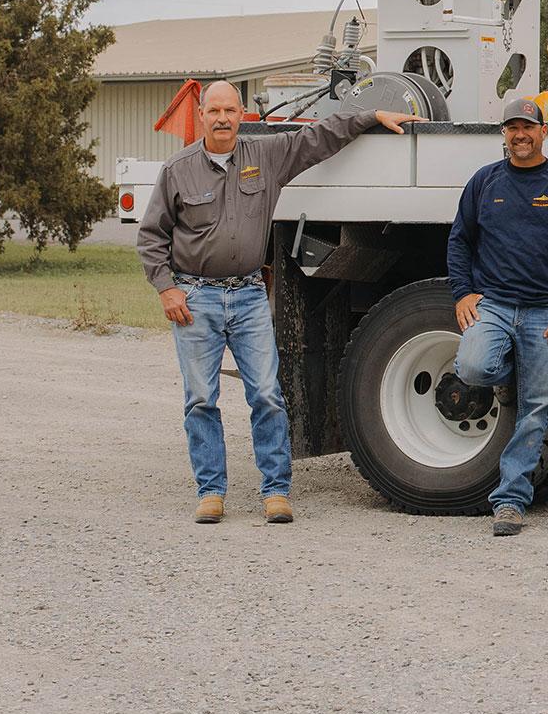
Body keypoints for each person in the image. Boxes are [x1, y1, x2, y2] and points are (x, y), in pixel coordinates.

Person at [137, 82, 417, 524]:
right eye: (214, 111)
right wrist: (166, 288)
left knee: (267, 394)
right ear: (202, 114)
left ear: (242, 113)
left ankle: (275, 491)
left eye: (231, 110)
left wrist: (371, 116)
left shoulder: (266, 156)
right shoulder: (178, 169)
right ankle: (210, 492)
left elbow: (318, 138)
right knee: (200, 400)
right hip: (196, 298)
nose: (223, 118)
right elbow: (152, 236)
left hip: (249, 296)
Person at [444, 97, 548, 537]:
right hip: (493, 305)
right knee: (474, 366)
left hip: (545, 314)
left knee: (537, 410)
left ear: (543, 132)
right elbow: (459, 241)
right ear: (504, 133)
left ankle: (510, 500)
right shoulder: (484, 182)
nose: (520, 135)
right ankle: (509, 367)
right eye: (512, 127)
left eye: (528, 127)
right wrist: (463, 293)